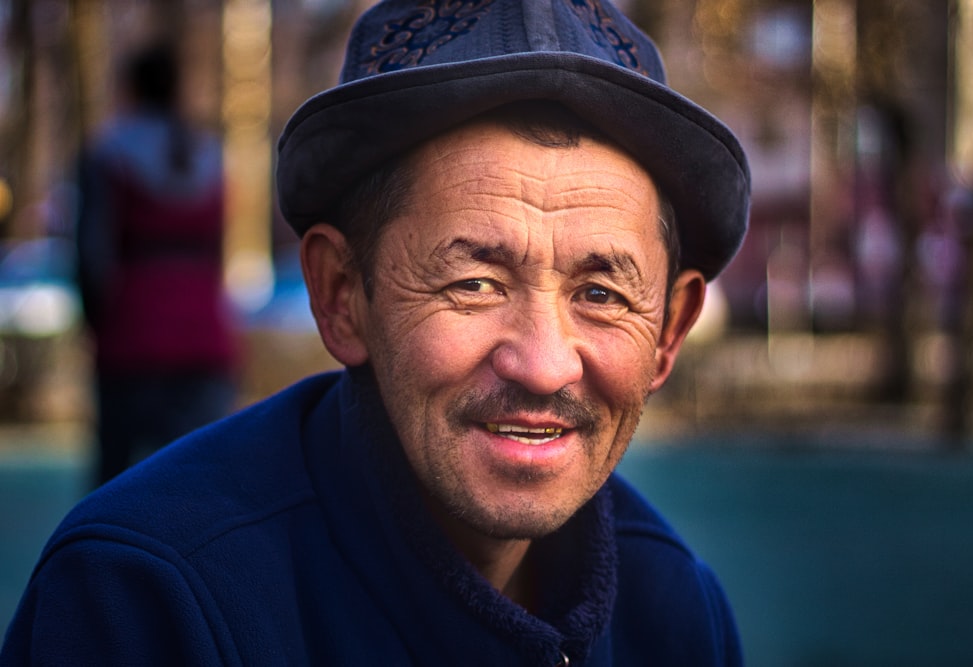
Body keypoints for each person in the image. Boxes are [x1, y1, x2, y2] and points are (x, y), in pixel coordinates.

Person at [1, 1, 750, 664]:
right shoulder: (142, 603)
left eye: (600, 292)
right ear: (341, 295)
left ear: (669, 330)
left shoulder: (677, 610)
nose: (545, 363)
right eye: (474, 283)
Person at [72, 41, 240, 485]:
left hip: (132, 341)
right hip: (203, 341)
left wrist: (95, 323)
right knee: (199, 482)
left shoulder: (109, 153)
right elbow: (219, 250)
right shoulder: (209, 153)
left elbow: (92, 252)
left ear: (131, 87)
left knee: (114, 486)